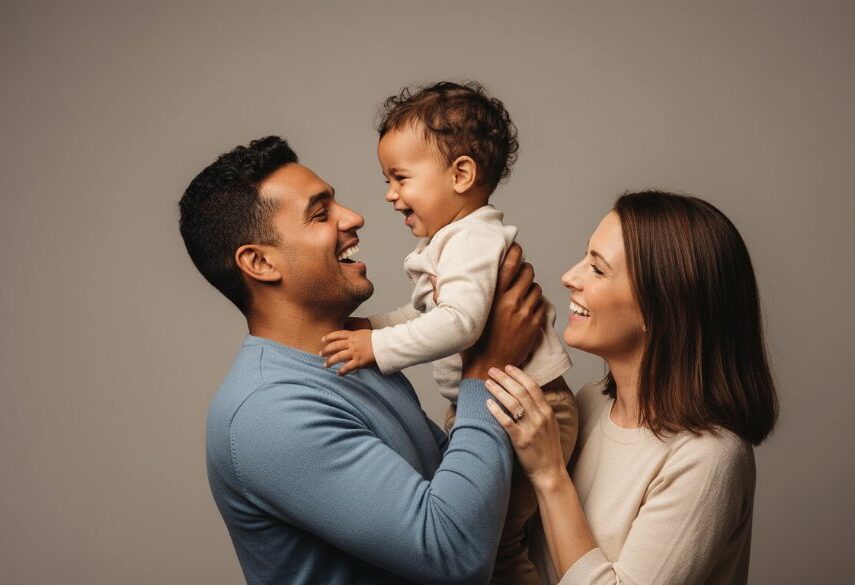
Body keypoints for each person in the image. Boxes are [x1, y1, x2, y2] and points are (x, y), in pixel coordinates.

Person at [177, 135, 548, 585]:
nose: (354, 218)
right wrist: (486, 369)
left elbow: (452, 486)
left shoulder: (351, 359)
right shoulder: (268, 413)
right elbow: (454, 555)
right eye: (320, 214)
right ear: (259, 262)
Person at [320, 81, 578, 585]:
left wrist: (377, 345)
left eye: (400, 178)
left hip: (530, 405)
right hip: (493, 403)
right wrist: (372, 326)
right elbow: (433, 317)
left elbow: (459, 325)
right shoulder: (452, 240)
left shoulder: (472, 238)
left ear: (461, 174)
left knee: (496, 548)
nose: (390, 195)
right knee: (497, 538)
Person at [484, 191, 779, 585]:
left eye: (598, 269)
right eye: (584, 258)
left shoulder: (710, 459)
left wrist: (550, 474)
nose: (570, 277)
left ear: (661, 309)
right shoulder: (585, 406)